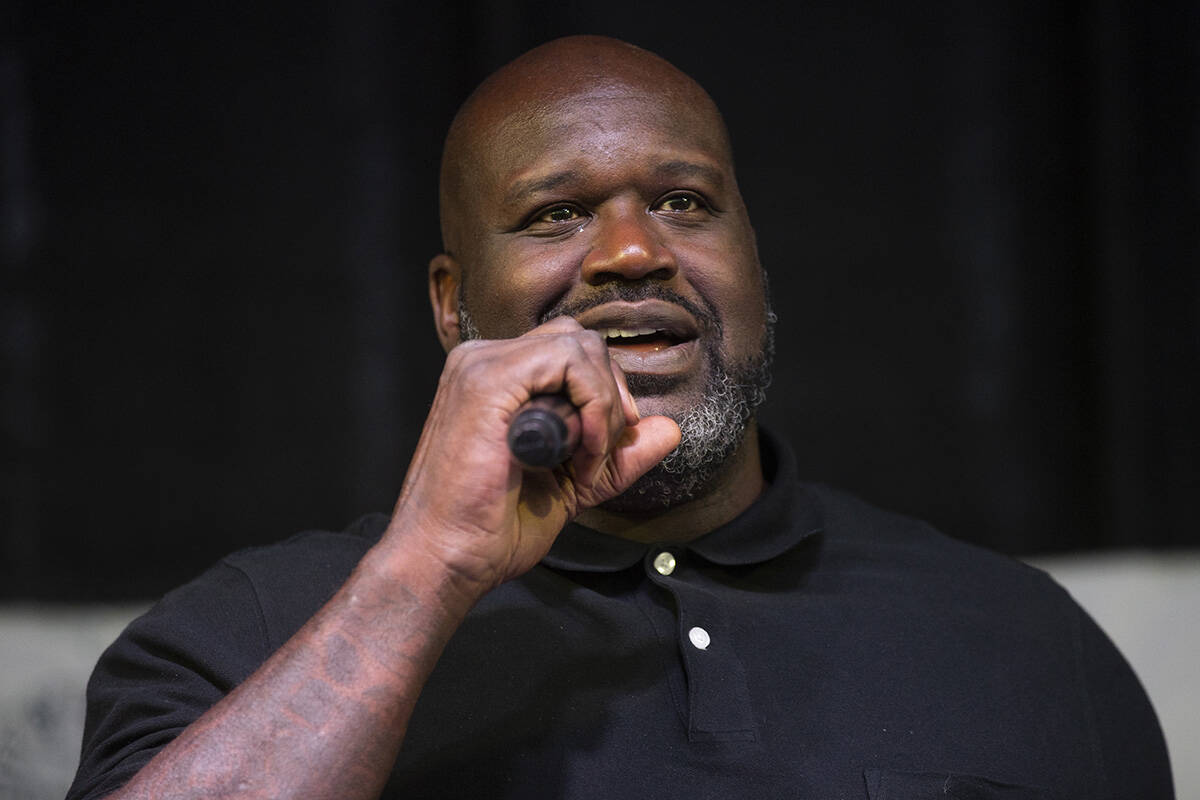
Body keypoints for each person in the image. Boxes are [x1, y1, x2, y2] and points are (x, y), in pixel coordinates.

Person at [67, 36, 1172, 800]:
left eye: (686, 202)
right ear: (454, 304)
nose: (635, 251)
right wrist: (424, 574)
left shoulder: (1029, 643)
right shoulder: (242, 637)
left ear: (754, 261)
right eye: (557, 213)